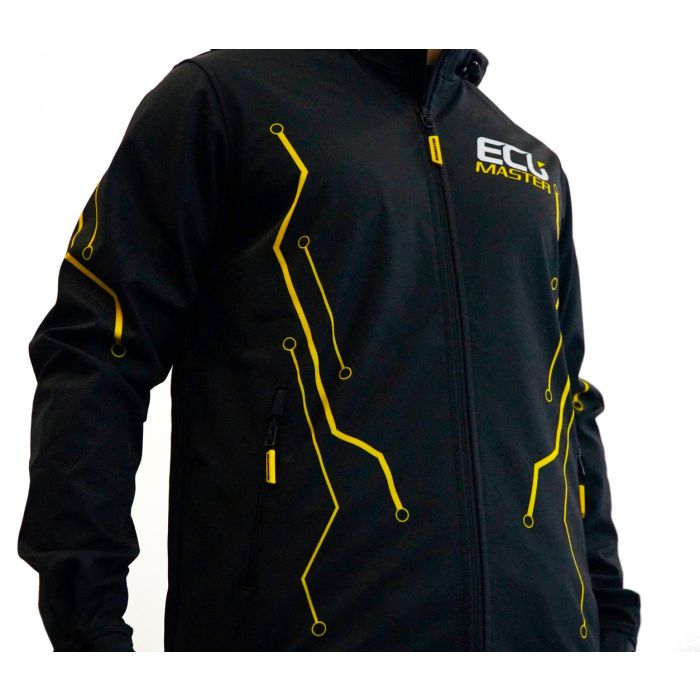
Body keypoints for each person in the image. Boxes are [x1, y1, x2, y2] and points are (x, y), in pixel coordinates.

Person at [18, 48, 641, 651]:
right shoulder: (226, 99)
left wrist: (609, 622)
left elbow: (566, 397)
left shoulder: (532, 164)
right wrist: (89, 628)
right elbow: (100, 350)